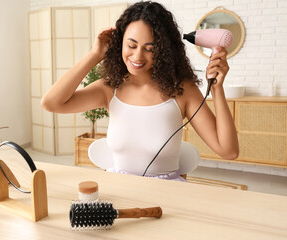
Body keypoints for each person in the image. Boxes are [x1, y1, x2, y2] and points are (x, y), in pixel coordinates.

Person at [41, 1, 239, 181]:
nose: (137, 56)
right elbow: (51, 103)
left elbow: (228, 151)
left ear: (163, 51)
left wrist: (217, 89)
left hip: (167, 194)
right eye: (131, 45)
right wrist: (95, 55)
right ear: (120, 44)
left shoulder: (182, 91)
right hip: (120, 189)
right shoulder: (109, 89)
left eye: (149, 49)